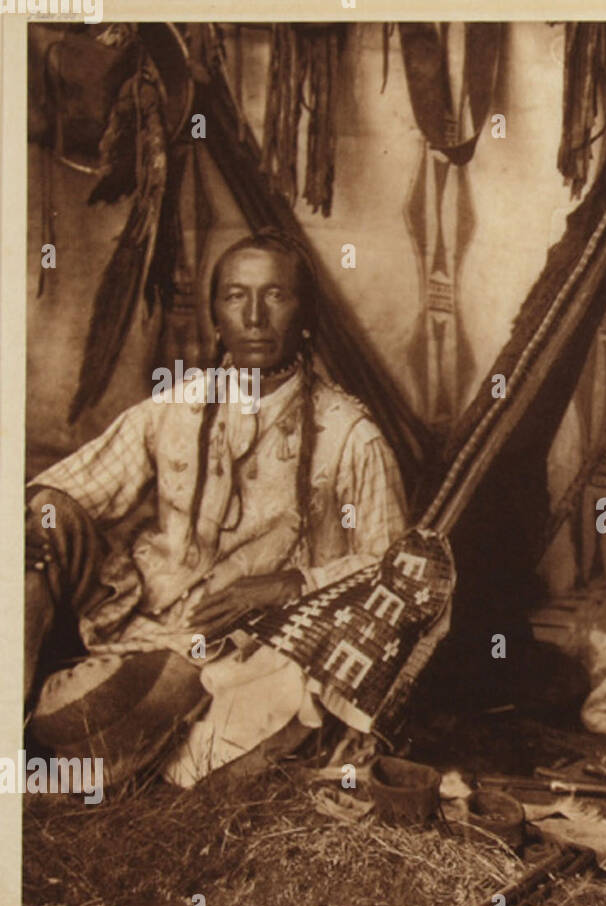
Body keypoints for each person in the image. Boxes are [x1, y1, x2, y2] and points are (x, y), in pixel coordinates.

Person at [26, 229, 409, 785]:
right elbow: (69, 489)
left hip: (236, 649)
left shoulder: (350, 435)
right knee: (36, 529)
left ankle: (96, 743)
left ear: (305, 314)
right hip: (135, 616)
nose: (254, 316)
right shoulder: (174, 409)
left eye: (274, 295)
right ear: (215, 315)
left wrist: (291, 583)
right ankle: (29, 723)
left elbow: (395, 571)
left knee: (82, 718)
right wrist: (36, 518)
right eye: (235, 295)